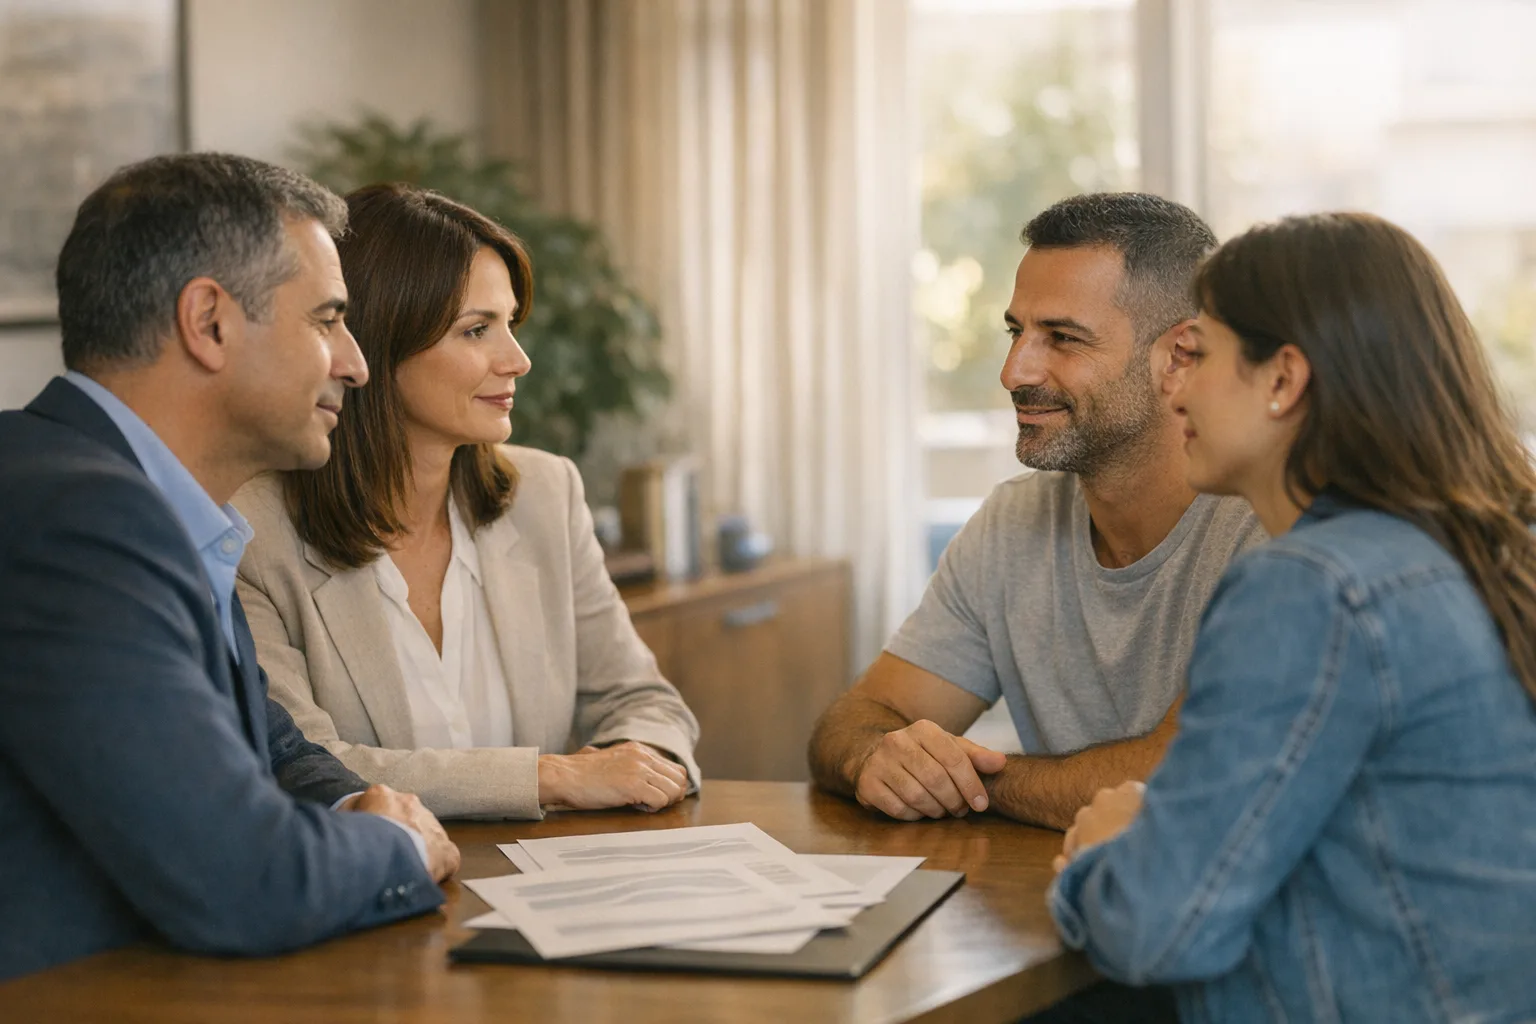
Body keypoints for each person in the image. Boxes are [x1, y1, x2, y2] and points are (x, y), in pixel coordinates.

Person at [1048, 212, 1536, 1022]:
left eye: (1197, 354)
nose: (1174, 386)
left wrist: (1110, 852)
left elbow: (1153, 930)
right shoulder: (1477, 555)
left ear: (1282, 379)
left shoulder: (1310, 589)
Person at [0, 154, 460, 982]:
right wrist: (394, 843)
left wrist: (352, 802)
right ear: (209, 321)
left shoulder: (124, 494)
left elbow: (262, 739)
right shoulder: (79, 522)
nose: (355, 363)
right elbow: (245, 877)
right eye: (327, 321)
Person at [232, 183, 699, 821]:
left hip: (551, 889)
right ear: (377, 342)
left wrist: (628, 765)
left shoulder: (546, 494)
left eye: (511, 324)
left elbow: (645, 701)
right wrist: (551, 777)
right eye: (477, 330)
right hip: (382, 893)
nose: (518, 360)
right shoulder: (253, 530)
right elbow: (309, 766)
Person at [809, 193, 1264, 829]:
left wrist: (971, 784)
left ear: (1180, 357)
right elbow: (858, 717)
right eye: (1016, 332)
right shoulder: (1009, 523)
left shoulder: (1268, 525)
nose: (1013, 370)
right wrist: (875, 758)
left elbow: (1191, 777)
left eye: (1063, 338)